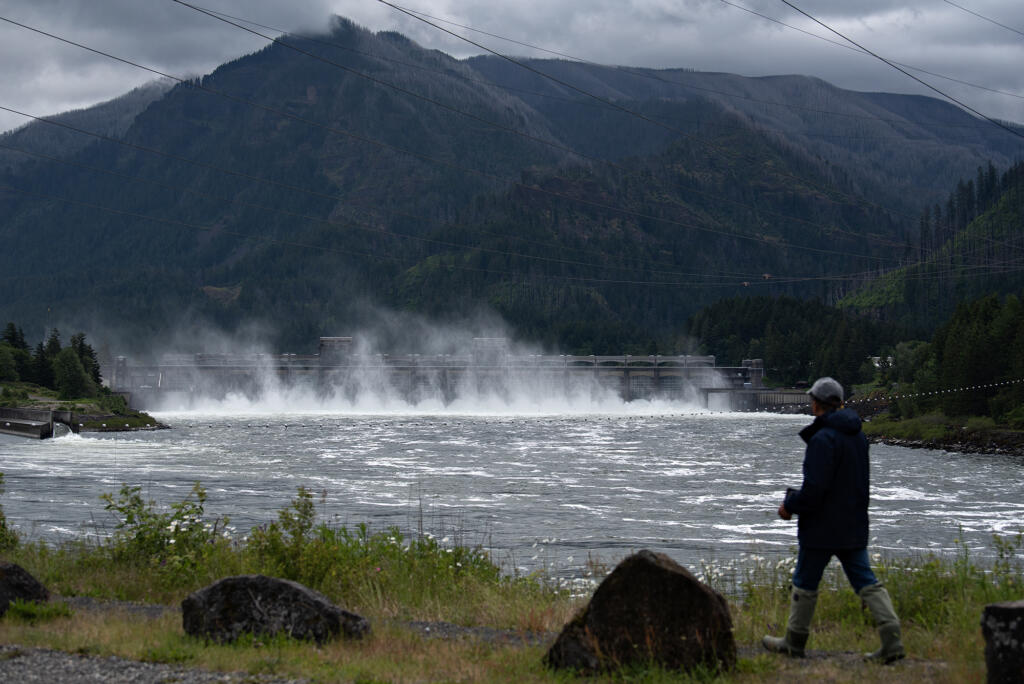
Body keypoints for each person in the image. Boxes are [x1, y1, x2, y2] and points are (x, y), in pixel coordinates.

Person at [762, 376, 905, 663]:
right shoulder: (858, 436)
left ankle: (794, 641)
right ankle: (892, 641)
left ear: (816, 404)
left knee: (805, 581)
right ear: (839, 403)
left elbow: (815, 489)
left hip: (821, 528)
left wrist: (789, 504)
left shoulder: (823, 438)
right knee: (866, 581)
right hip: (853, 523)